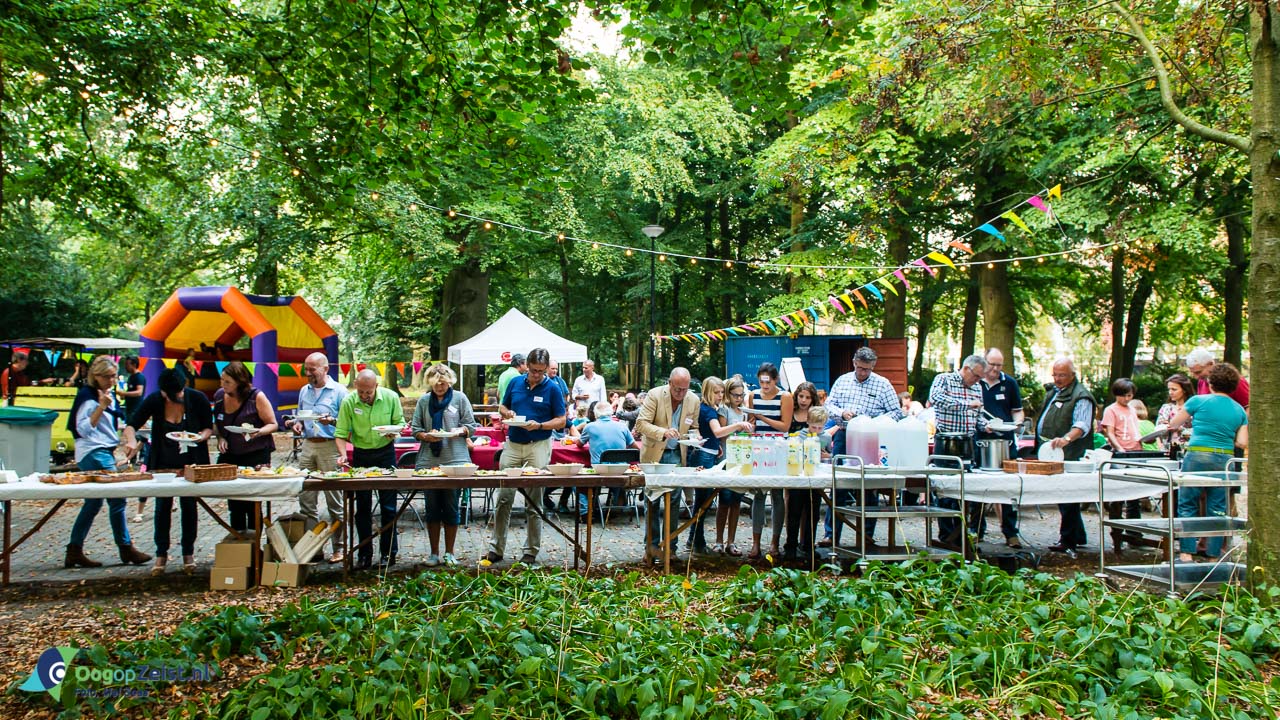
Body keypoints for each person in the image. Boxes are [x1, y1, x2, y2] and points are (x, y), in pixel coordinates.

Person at [122, 368, 214, 576]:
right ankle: (161, 554)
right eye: (171, 394)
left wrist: (200, 437)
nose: (176, 397)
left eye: (179, 393)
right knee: (163, 506)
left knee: (189, 505)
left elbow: (209, 427)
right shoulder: (155, 399)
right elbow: (131, 425)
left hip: (191, 462)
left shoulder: (197, 399)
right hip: (163, 461)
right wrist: (130, 441)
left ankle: (188, 553)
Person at [63, 356, 152, 569]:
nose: (113, 380)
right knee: (118, 499)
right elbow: (83, 429)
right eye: (109, 377)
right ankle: (125, 547)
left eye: (115, 376)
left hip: (101, 450)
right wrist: (101, 407)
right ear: (97, 376)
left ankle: (74, 549)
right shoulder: (88, 397)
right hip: (94, 451)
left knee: (93, 502)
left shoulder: (103, 394)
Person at [487, 348, 566, 566]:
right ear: (526, 366)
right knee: (504, 497)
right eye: (533, 371)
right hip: (512, 443)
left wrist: (540, 425)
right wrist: (507, 413)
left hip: (538, 444)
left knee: (534, 498)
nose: (537, 375)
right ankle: (496, 547)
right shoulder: (515, 383)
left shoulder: (553, 388)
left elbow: (561, 420)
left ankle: (531, 550)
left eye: (541, 371)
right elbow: (503, 405)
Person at [819, 347, 902, 548]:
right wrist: (843, 413)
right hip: (844, 435)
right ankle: (831, 535)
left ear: (873, 367)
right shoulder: (843, 381)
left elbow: (896, 412)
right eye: (859, 368)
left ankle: (866, 536)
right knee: (838, 485)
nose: (862, 372)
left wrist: (873, 420)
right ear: (854, 362)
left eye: (867, 369)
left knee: (869, 488)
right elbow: (828, 406)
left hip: (871, 438)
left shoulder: (883, 384)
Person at [1167, 362, 1247, 562]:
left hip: (1197, 455)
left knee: (1188, 503)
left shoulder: (1198, 401)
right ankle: (1213, 555)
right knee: (1218, 507)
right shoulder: (1239, 410)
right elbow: (1242, 442)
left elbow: (1174, 423)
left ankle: (1186, 553)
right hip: (1224, 459)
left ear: (1210, 383)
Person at [334, 369, 405, 570]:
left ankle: (388, 554)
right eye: (361, 392)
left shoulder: (391, 398)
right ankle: (364, 554)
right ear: (356, 386)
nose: (365, 396)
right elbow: (340, 433)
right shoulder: (349, 402)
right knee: (362, 508)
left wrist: (394, 432)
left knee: (388, 507)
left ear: (376, 386)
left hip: (386, 453)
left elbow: (399, 423)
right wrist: (342, 454)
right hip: (361, 455)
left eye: (369, 392)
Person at [410, 364, 477, 567]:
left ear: (450, 382)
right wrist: (425, 436)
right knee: (432, 508)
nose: (440, 386)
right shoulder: (424, 401)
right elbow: (415, 429)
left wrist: (460, 431)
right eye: (436, 383)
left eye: (443, 383)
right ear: (430, 384)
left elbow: (471, 426)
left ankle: (450, 552)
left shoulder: (460, 398)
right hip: (429, 461)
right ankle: (433, 553)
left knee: (450, 507)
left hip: (455, 459)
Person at [635, 367, 701, 564]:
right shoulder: (655, 395)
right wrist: (663, 432)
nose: (681, 394)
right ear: (670, 384)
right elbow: (641, 424)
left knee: (673, 502)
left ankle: (670, 548)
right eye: (678, 389)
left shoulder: (693, 400)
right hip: (655, 454)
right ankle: (652, 548)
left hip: (676, 455)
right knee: (652, 502)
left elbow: (694, 427)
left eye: (685, 389)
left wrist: (696, 438)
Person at [292, 352, 348, 563]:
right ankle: (313, 548)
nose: (308, 373)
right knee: (306, 500)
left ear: (325, 369)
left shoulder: (339, 391)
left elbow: (346, 423)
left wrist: (332, 421)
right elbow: (300, 416)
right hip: (308, 446)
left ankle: (339, 547)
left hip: (330, 446)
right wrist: (297, 424)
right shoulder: (303, 391)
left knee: (335, 501)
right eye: (305, 369)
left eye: (312, 369)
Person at [1034, 358, 1095, 553]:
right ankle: (1077, 535)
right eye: (1055, 374)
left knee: (1067, 494)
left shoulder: (1081, 396)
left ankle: (1068, 539)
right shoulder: (1055, 392)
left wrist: (1066, 439)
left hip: (1069, 453)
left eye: (1062, 375)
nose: (1057, 379)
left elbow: (1082, 425)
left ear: (1073, 375)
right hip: (1052, 452)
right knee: (1063, 495)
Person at [213, 362, 279, 534]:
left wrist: (257, 432)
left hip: (255, 453)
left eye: (227, 382)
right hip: (231, 455)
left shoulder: (256, 396)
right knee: (234, 501)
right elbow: (218, 424)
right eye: (222, 380)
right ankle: (238, 540)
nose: (223, 385)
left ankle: (254, 541)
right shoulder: (219, 396)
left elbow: (273, 424)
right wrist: (220, 437)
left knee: (252, 501)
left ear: (239, 381)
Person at [929, 355, 988, 543]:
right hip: (946, 442)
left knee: (970, 488)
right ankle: (948, 536)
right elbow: (936, 398)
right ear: (966, 369)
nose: (978, 381)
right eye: (977, 376)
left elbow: (978, 416)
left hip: (968, 442)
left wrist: (987, 425)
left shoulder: (977, 387)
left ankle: (968, 534)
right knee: (946, 491)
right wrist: (966, 404)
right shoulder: (944, 379)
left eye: (980, 377)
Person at [978, 348, 1025, 547]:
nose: (995, 369)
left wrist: (1016, 424)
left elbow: (1018, 412)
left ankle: (1010, 532)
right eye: (992, 364)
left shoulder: (1009, 383)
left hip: (1006, 441)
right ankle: (976, 529)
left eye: (999, 365)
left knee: (1008, 487)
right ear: (984, 361)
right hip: (981, 439)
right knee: (978, 486)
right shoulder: (976, 382)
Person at [745, 362, 792, 561]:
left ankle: (774, 541)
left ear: (775, 380)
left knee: (777, 495)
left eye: (768, 382)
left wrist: (762, 416)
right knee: (758, 495)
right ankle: (755, 542)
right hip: (758, 446)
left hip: (778, 446)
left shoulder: (785, 397)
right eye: (761, 381)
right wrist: (751, 423)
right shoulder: (752, 396)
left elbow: (785, 426)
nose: (765, 386)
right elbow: (752, 423)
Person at [1100, 378, 1145, 548]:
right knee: (1118, 495)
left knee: (1135, 495)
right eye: (1124, 396)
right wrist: (1119, 448)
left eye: (1130, 396)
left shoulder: (1132, 410)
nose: (1127, 399)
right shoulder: (1111, 410)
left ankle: (1135, 532)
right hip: (1121, 453)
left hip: (1135, 450)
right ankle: (1117, 535)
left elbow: (1135, 428)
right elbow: (1110, 432)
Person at [577, 400, 640, 521]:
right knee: (615, 474)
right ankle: (614, 507)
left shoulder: (590, 427)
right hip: (622, 469)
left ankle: (585, 512)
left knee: (578, 480)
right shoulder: (622, 426)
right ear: (611, 413)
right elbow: (635, 447)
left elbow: (580, 444)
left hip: (600, 469)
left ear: (595, 414)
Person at [783, 381, 821, 562]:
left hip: (813, 467)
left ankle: (808, 544)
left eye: (808, 397)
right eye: (801, 396)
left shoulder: (816, 415)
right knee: (794, 507)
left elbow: (826, 437)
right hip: (795, 466)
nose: (804, 400)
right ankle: (790, 544)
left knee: (813, 506)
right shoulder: (792, 413)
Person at [1156, 374, 1195, 453]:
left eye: (1174, 389)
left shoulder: (1193, 408)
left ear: (1184, 390)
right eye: (1169, 389)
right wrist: (1164, 427)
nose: (1170, 392)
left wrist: (1180, 429)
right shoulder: (1166, 408)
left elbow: (1198, 431)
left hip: (1188, 451)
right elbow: (1157, 432)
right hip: (1167, 450)